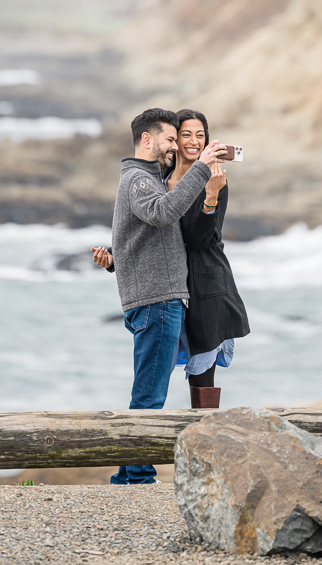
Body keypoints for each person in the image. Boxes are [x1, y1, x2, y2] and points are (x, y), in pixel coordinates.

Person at [90, 107, 225, 485]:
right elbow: (164, 214)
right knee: (150, 397)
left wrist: (116, 261)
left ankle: (127, 474)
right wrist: (202, 170)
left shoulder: (145, 179)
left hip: (152, 299)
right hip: (158, 302)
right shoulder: (139, 180)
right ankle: (138, 478)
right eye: (169, 139)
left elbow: (134, 239)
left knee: (145, 389)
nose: (174, 146)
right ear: (147, 140)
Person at [167, 108, 250, 408]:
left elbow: (200, 239)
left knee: (201, 378)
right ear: (173, 140)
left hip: (207, 288)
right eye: (186, 134)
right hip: (169, 289)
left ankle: (204, 441)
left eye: (200, 135)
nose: (193, 141)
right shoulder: (159, 178)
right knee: (158, 369)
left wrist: (211, 198)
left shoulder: (215, 181)